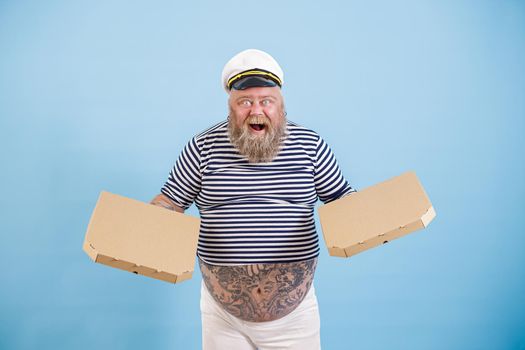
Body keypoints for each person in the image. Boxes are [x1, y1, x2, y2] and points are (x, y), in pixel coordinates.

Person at [151, 49, 356, 350]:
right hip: (223, 319)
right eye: (245, 102)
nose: (256, 111)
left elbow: (342, 199)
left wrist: (370, 216)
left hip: (294, 320)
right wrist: (147, 224)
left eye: (266, 101)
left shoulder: (311, 147)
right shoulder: (202, 147)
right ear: (230, 107)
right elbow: (171, 201)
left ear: (281, 106)